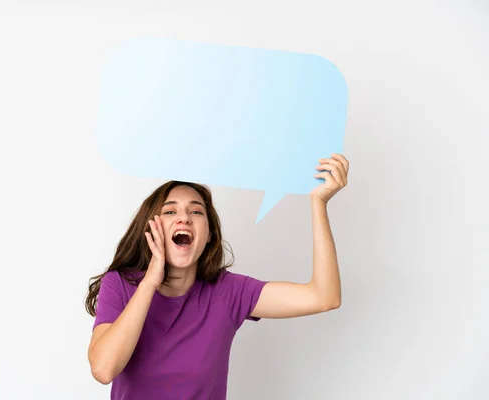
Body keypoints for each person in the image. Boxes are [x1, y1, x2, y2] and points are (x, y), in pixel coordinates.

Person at [85, 153, 350, 399]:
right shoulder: (120, 284)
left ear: (209, 234)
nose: (184, 219)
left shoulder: (227, 292)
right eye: (170, 211)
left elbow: (324, 296)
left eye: (196, 211)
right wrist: (149, 283)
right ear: (151, 229)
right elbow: (104, 369)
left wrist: (319, 203)